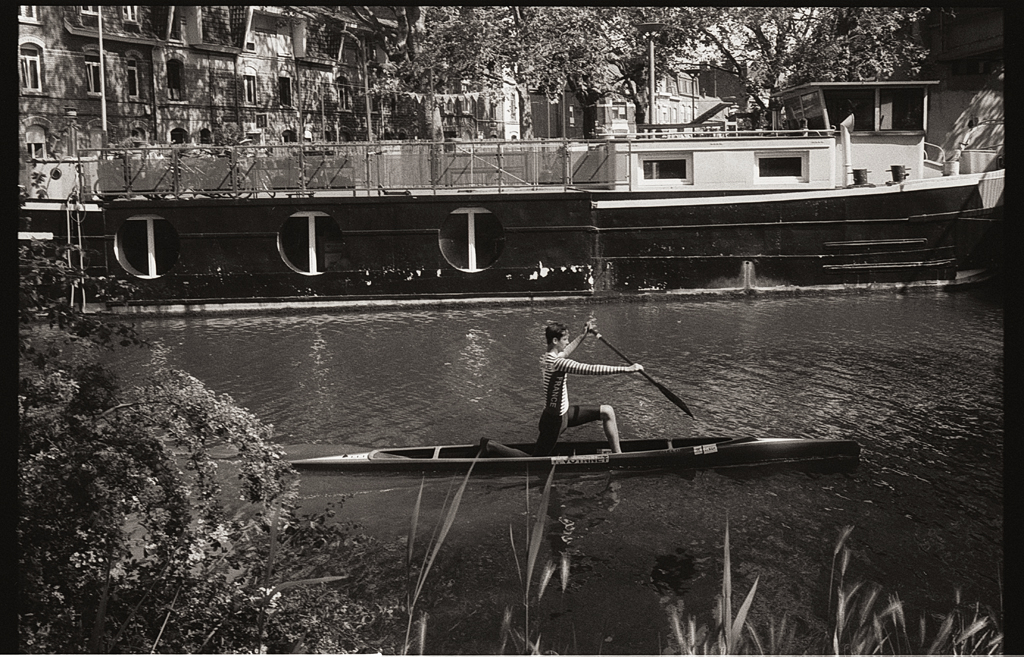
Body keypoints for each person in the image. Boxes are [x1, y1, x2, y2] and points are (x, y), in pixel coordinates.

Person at [481, 319, 642, 457]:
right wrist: (627, 369)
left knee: (607, 411)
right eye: (565, 339)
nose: (567, 342)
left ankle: (618, 456)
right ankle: (492, 446)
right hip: (554, 422)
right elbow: (592, 369)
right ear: (555, 341)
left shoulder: (548, 357)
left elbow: (566, 351)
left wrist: (583, 335)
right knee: (535, 461)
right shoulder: (557, 363)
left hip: (564, 414)